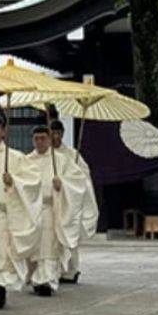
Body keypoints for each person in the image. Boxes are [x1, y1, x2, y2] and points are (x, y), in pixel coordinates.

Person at [0, 103, 42, 309]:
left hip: (3, 214)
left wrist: (13, 182)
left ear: (3, 131)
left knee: (2, 254)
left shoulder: (15, 157)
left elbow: (33, 181)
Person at [26, 121, 87, 296]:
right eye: (36, 139)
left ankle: (47, 280)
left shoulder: (61, 159)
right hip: (32, 210)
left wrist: (63, 185)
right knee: (35, 248)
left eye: (43, 138)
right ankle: (36, 277)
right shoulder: (27, 161)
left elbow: (78, 181)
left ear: (49, 139)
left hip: (51, 209)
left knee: (49, 247)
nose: (39, 142)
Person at [49, 115, 97, 284]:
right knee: (51, 238)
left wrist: (68, 182)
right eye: (51, 132)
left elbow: (83, 177)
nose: (54, 136)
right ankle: (54, 270)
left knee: (69, 237)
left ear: (62, 134)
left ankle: (71, 270)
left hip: (68, 202)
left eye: (57, 132)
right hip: (52, 203)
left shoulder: (72, 154)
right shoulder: (46, 154)